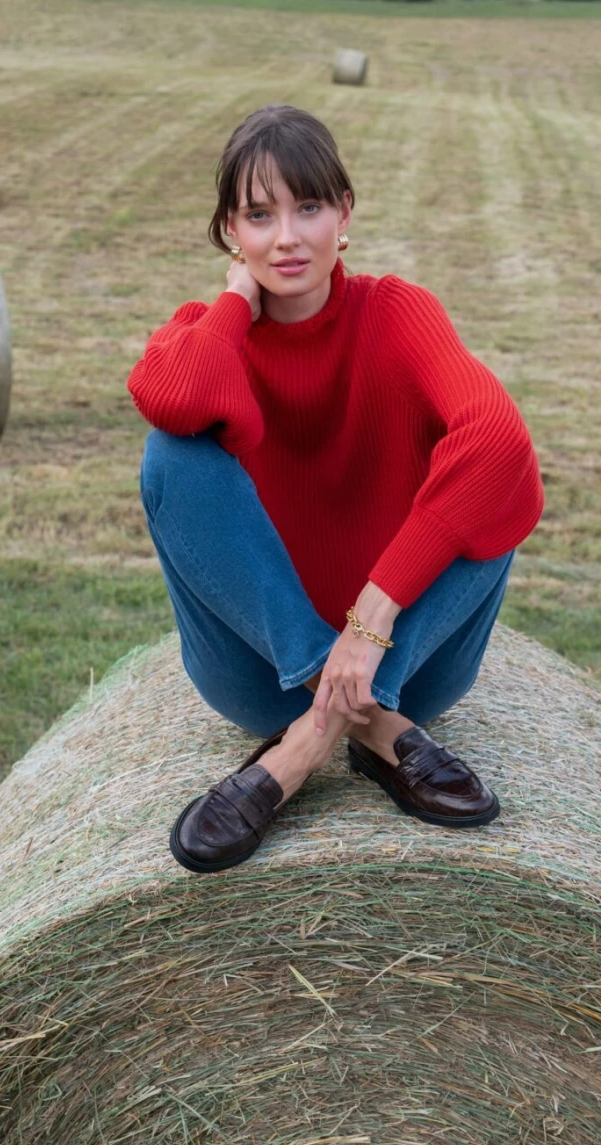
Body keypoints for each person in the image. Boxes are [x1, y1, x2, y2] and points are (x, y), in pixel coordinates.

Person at [128, 102, 543, 874]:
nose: (287, 237)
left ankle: (297, 754)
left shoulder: (398, 314)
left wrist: (373, 619)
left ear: (344, 213)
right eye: (259, 215)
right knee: (171, 459)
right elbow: (176, 403)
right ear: (230, 232)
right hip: (257, 672)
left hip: (411, 660)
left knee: (497, 483)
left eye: (308, 206)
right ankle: (377, 733)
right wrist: (234, 307)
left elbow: (499, 436)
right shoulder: (203, 334)